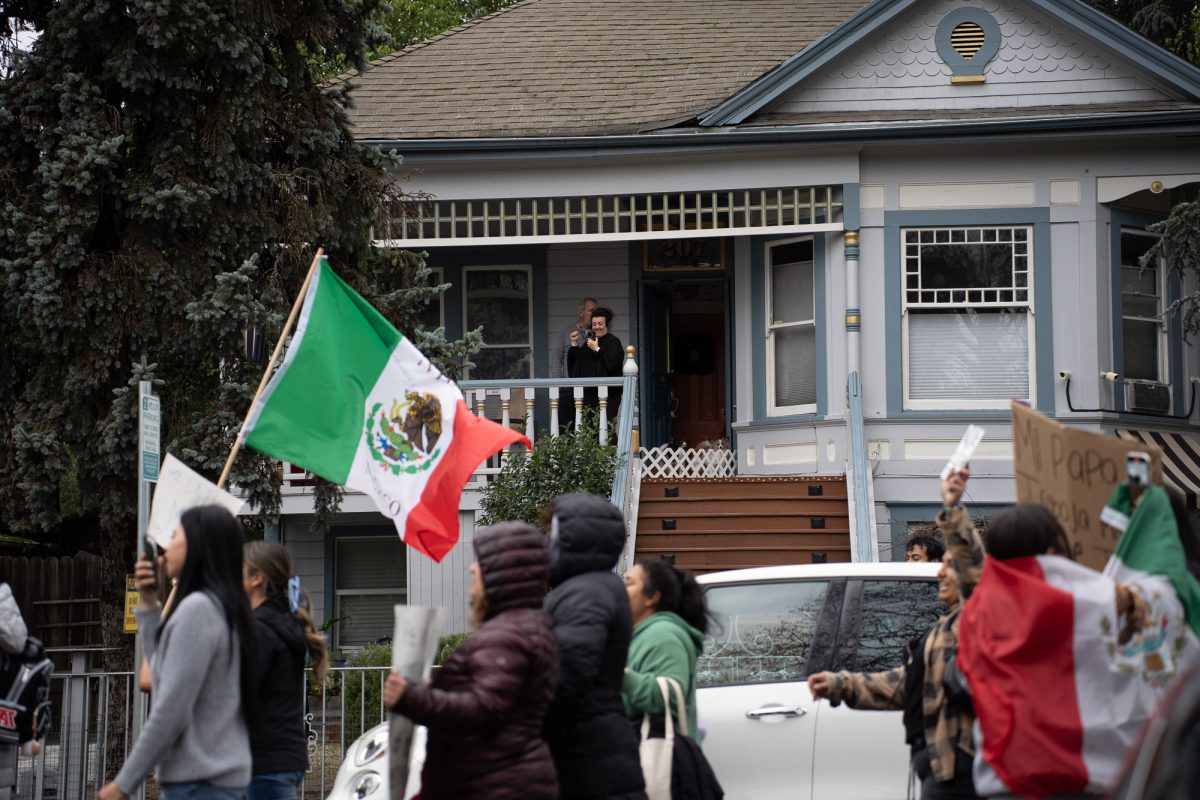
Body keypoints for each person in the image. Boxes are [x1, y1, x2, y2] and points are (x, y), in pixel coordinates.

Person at [808, 470, 981, 800]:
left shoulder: (977, 620)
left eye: (949, 565)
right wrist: (840, 685)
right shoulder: (944, 630)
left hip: (963, 771)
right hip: (939, 770)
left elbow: (975, 568)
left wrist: (954, 510)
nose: (940, 572)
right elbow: (903, 685)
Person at [383, 521, 559, 800]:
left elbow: (484, 710)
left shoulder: (506, 635)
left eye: (481, 562)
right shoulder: (524, 626)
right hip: (497, 780)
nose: (471, 568)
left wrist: (411, 697)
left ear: (504, 573)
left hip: (494, 785)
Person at [100, 505, 257, 800]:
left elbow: (170, 709)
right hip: (216, 783)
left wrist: (123, 784)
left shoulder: (198, 610)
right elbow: (160, 673)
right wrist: (148, 604)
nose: (166, 547)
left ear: (198, 545)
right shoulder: (224, 607)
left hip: (199, 786)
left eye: (174, 536)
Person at [542, 493, 647, 800]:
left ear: (575, 541)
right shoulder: (590, 588)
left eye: (554, 535)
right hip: (595, 751)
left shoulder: (586, 593)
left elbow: (567, 673)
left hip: (586, 756)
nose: (547, 544)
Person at [242, 541, 329, 800]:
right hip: (283, 756)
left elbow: (241, 692)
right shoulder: (284, 623)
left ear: (257, 578)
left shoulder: (260, 628)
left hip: (263, 760)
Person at [621, 558, 708, 742]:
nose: (620, 589)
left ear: (652, 597)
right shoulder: (641, 633)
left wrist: (618, 674)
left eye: (629, 583)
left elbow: (670, 695)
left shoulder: (663, 633)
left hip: (661, 757)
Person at [568, 306, 625, 426]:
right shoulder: (590, 341)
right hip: (588, 395)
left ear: (607, 324)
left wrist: (597, 349)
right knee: (589, 431)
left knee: (605, 428)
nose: (597, 327)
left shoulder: (613, 342)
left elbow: (612, 365)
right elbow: (576, 366)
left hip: (608, 395)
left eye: (600, 323)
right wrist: (574, 344)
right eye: (594, 324)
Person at [556, 297, 598, 429]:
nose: (594, 314)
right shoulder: (566, 332)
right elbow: (556, 360)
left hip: (590, 390)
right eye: (591, 311)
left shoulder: (596, 333)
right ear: (581, 313)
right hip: (568, 389)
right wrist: (559, 385)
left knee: (589, 428)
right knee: (567, 428)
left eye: (597, 311)